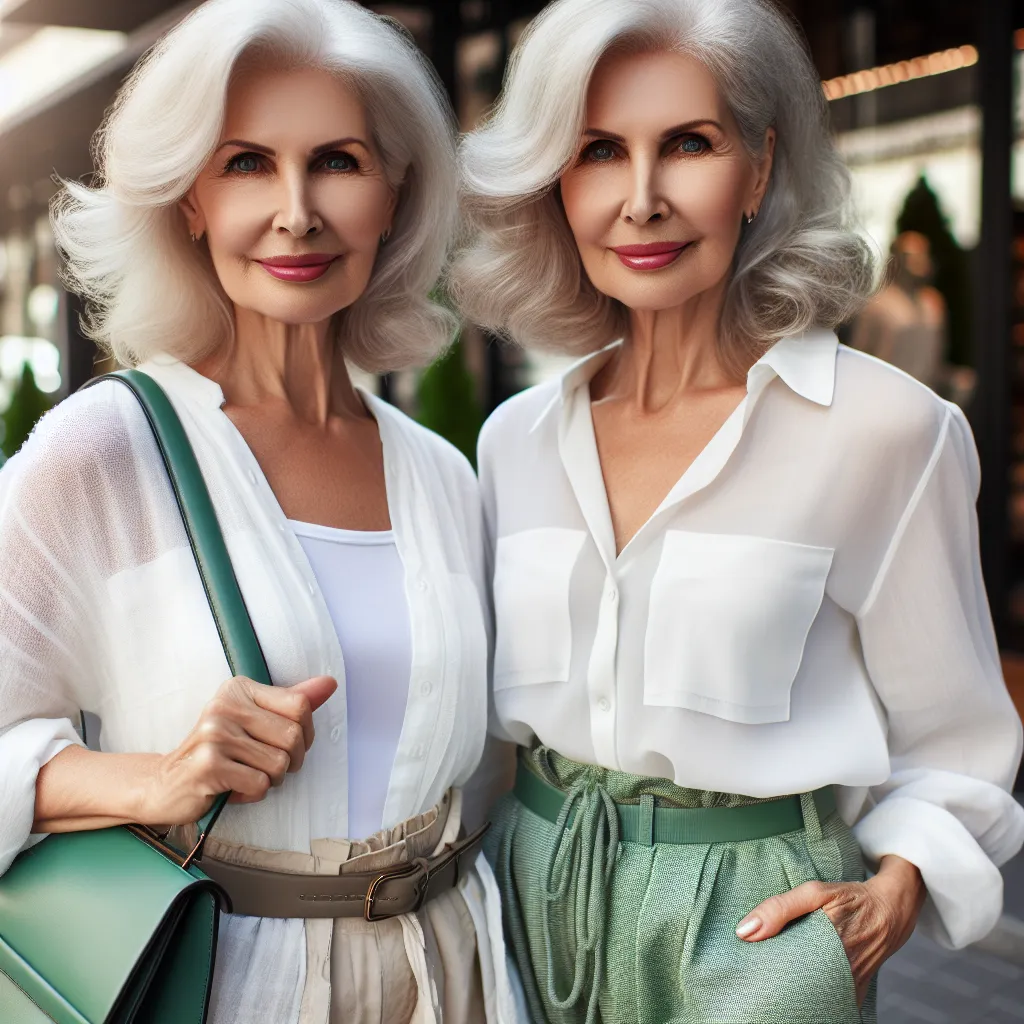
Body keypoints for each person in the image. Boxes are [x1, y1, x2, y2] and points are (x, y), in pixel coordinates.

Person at [451, 1, 1024, 1021]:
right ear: (553, 184)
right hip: (527, 898)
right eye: (596, 152)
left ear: (757, 169)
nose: (640, 199)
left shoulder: (884, 430)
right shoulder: (515, 440)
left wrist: (893, 888)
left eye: (686, 144)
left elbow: (958, 738)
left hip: (756, 926)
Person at [0, 2, 515, 1022]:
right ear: (187, 198)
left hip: (452, 974)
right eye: (245, 164)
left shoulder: (443, 475)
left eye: (336, 161)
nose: (296, 212)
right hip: (227, 985)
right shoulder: (105, 452)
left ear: (394, 188)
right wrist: (152, 779)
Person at [850, 230, 947, 391]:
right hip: (887, 393)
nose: (918, 261)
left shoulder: (933, 303)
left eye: (923, 253)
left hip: (927, 394)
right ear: (896, 259)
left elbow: (937, 358)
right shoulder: (878, 304)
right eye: (910, 255)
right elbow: (860, 354)